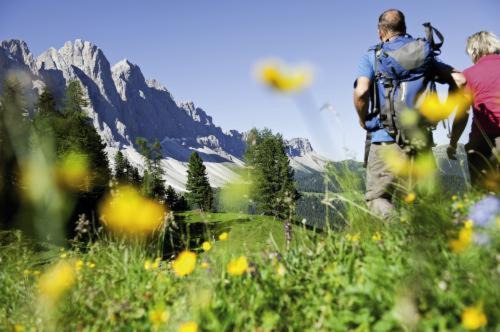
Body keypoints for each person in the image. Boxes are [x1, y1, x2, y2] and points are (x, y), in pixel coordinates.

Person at [353, 9, 466, 217]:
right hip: (421, 138)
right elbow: (460, 80)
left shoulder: (373, 56)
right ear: (404, 28)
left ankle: (398, 232)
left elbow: (361, 92)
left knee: (378, 198)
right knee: (423, 203)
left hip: (385, 138)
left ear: (381, 31)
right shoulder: (423, 54)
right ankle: (425, 245)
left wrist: (362, 120)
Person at [448, 31, 500, 190]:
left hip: (484, 144)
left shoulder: (468, 74)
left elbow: (463, 114)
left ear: (474, 51)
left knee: (485, 197)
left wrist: (453, 143)